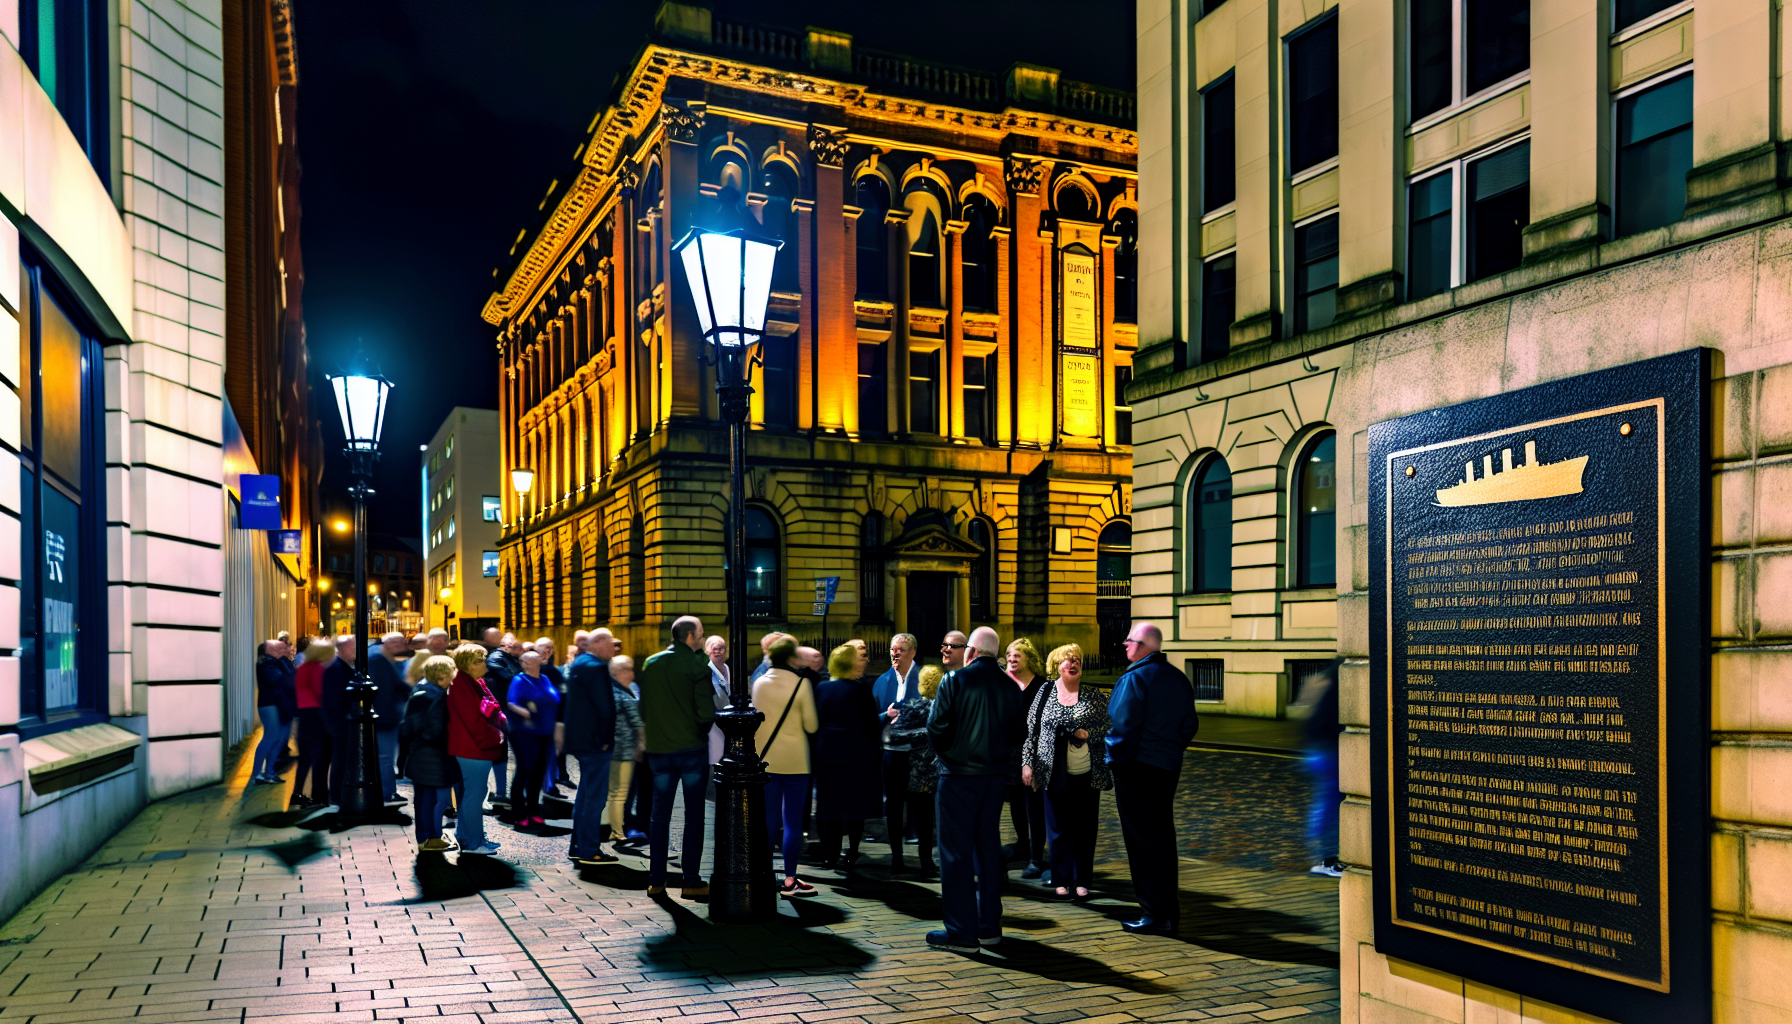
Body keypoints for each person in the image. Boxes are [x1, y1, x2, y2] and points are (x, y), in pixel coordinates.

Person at [926, 626, 1022, 951]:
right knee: (988, 848)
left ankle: (961, 932)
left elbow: (936, 727)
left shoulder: (955, 680)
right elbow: (1018, 734)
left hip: (958, 775)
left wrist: (952, 756)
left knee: (955, 853)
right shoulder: (1011, 686)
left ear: (971, 651)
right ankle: (989, 925)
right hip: (994, 776)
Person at [1107, 622, 1200, 935]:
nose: (1124, 644)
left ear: (1143, 645)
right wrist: (1170, 750)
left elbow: (1122, 727)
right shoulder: (1178, 678)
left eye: (1129, 640)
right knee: (1161, 837)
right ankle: (1166, 912)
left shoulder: (1134, 678)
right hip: (1166, 766)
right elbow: (1189, 726)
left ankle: (1154, 913)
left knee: (1142, 841)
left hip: (1136, 767)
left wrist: (1115, 761)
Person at [1023, 643, 1112, 900]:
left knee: (1085, 828)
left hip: (1086, 773)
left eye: (1077, 661)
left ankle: (1081, 879)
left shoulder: (1093, 695)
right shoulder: (1045, 691)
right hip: (1052, 771)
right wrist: (1027, 763)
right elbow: (1032, 731)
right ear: (1056, 666)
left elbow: (1108, 727)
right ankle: (1061, 879)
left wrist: (1088, 733)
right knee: (1058, 829)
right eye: (1068, 660)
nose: (1073, 664)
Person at [638, 615, 717, 899]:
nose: (703, 639)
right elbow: (706, 713)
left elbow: (643, 708)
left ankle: (657, 880)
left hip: (659, 749)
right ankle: (691, 880)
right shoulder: (697, 667)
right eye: (701, 634)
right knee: (694, 816)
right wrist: (696, 732)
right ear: (690, 636)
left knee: (660, 815)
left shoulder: (652, 663)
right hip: (690, 749)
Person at [752, 637, 819, 897]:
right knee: (793, 821)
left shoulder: (759, 683)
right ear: (791, 657)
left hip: (767, 759)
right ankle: (790, 877)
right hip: (796, 761)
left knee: (769, 819)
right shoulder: (801, 684)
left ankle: (764, 873)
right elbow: (811, 725)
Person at [813, 644, 884, 871]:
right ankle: (852, 852)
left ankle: (830, 855)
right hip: (858, 757)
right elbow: (872, 724)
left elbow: (816, 722)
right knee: (855, 810)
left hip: (829, 756)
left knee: (830, 809)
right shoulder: (860, 690)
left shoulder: (822, 688)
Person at [560, 629, 619, 866]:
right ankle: (588, 849)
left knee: (585, 796)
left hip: (581, 740)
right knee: (594, 797)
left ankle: (578, 846)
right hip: (595, 742)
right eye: (611, 643)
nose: (614, 648)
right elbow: (606, 708)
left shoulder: (580, 663)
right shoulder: (596, 667)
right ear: (599, 642)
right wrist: (606, 739)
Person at [445, 642, 508, 855]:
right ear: (467, 664)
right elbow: (473, 720)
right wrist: (495, 736)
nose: (485, 664)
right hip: (472, 747)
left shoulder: (473, 682)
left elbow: (493, 708)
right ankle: (473, 842)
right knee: (475, 794)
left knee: (473, 793)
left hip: (476, 746)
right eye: (479, 660)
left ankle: (469, 836)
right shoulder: (461, 684)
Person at [401, 655, 461, 852]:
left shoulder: (422, 692)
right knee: (431, 799)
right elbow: (434, 729)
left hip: (421, 753)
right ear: (442, 674)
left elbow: (407, 728)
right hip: (432, 754)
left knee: (425, 797)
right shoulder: (435, 696)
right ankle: (429, 839)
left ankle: (428, 837)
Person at [873, 634, 920, 871]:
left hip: (916, 752)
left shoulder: (923, 678)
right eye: (893, 649)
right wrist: (885, 716)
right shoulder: (882, 681)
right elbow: (871, 716)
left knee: (920, 804)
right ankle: (896, 856)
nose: (895, 653)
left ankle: (924, 858)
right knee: (893, 804)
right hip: (891, 751)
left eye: (901, 649)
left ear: (913, 652)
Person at [888, 660, 940, 876]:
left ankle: (899, 860)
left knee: (900, 813)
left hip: (908, 766)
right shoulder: (929, 707)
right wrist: (926, 735)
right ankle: (924, 862)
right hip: (922, 769)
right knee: (924, 818)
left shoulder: (914, 706)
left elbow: (895, 734)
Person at [1004, 638, 1049, 880]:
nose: (1011, 659)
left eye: (1017, 656)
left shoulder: (1042, 686)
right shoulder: (1005, 684)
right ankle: (1023, 844)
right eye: (1009, 655)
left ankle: (1036, 857)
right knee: (1016, 802)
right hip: (1010, 751)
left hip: (1034, 752)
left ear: (1029, 659)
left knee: (1034, 804)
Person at [1297, 660, 1344, 878]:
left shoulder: (1328, 682)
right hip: (1327, 750)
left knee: (1327, 803)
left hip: (1319, 748)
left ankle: (1325, 855)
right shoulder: (1339, 687)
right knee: (1330, 804)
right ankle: (1327, 859)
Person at [506, 650, 560, 831]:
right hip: (525, 732)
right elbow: (511, 702)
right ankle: (519, 815)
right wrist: (526, 712)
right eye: (526, 659)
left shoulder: (545, 679)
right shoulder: (519, 680)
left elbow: (555, 698)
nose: (526, 662)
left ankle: (534, 812)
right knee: (525, 769)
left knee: (539, 773)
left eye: (533, 658)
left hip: (545, 732)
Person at [291, 639, 337, 809]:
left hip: (303, 713)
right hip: (316, 714)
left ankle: (297, 792)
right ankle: (319, 793)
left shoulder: (302, 668)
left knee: (305, 757)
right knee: (320, 756)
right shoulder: (318, 669)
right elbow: (320, 692)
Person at [604, 655, 644, 851]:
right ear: (616, 672)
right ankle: (617, 832)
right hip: (623, 751)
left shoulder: (623, 690)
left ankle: (613, 828)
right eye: (627, 669)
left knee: (615, 792)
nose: (632, 673)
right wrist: (641, 745)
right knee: (619, 793)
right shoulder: (620, 694)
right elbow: (637, 723)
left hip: (617, 749)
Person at [370, 632, 413, 805]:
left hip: (384, 715)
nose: (403, 647)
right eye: (400, 643)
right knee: (385, 757)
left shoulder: (380, 656)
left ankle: (387, 792)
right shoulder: (378, 658)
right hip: (384, 716)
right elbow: (387, 688)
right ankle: (388, 793)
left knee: (384, 757)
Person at [251, 639, 296, 784]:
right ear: (267, 651)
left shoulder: (277, 662)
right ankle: (258, 774)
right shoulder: (268, 664)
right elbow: (284, 681)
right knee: (271, 738)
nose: (282, 651)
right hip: (270, 704)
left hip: (278, 705)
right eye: (277, 649)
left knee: (278, 738)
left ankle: (268, 773)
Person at [319, 635, 356, 810]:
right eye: (352, 646)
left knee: (339, 760)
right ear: (342, 648)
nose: (355, 650)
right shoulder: (336, 668)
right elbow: (333, 699)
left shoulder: (338, 666)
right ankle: (337, 797)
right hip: (338, 721)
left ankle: (337, 796)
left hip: (337, 721)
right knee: (339, 761)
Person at [704, 635, 732, 770]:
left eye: (721, 648)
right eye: (713, 648)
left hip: (727, 724)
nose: (717, 651)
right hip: (713, 724)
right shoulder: (706, 671)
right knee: (714, 762)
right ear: (707, 651)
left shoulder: (726, 668)